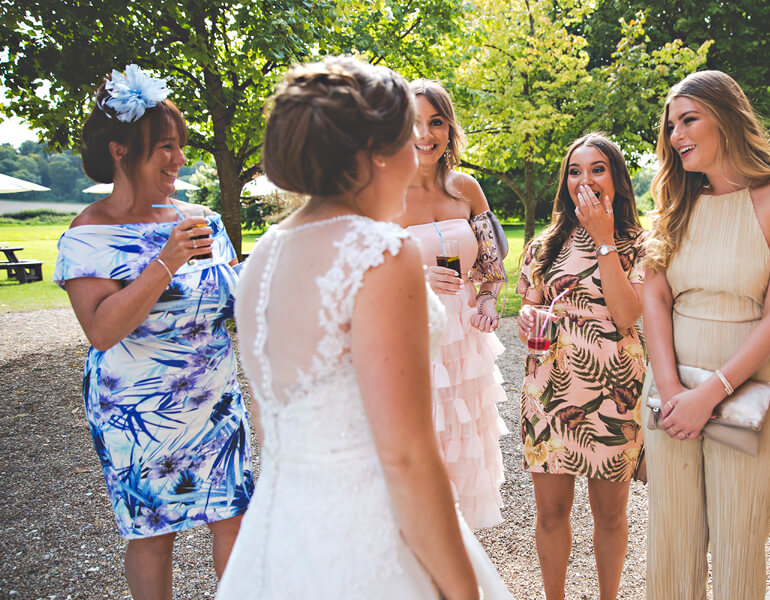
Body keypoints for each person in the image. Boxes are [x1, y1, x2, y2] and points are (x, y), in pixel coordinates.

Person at [217, 56, 513, 599]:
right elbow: (404, 455)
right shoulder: (383, 253)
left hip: (280, 534)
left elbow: (267, 419)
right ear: (375, 153)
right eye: (407, 136)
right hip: (369, 533)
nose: (418, 148)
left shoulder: (264, 255)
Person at [54, 65, 254, 599]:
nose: (180, 159)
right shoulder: (89, 232)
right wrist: (164, 262)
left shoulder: (202, 219)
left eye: (181, 146)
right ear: (121, 151)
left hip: (213, 397)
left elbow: (234, 302)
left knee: (234, 518)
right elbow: (101, 330)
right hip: (135, 409)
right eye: (166, 146)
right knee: (152, 531)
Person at [640, 70, 770, 599]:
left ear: (727, 117)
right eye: (671, 126)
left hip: (746, 390)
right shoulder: (676, 202)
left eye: (688, 120)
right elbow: (654, 296)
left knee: (740, 539)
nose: (676, 136)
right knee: (671, 538)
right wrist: (673, 389)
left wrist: (711, 393)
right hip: (670, 394)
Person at [515, 133, 646, 600]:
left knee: (610, 514)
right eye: (575, 170)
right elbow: (528, 314)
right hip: (549, 392)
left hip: (614, 393)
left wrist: (604, 239)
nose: (584, 180)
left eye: (597, 169)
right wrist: (529, 315)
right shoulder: (544, 245)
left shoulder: (640, 243)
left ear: (616, 179)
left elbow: (628, 315)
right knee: (550, 512)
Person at [395, 79, 508, 529]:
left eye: (436, 122)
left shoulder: (467, 189)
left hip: (464, 343)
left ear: (449, 128)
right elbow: (360, 271)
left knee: (463, 441)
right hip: (409, 333)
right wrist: (413, 278)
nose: (426, 134)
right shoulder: (382, 192)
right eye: (415, 123)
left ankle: (455, 560)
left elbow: (491, 268)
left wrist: (487, 301)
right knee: (418, 438)